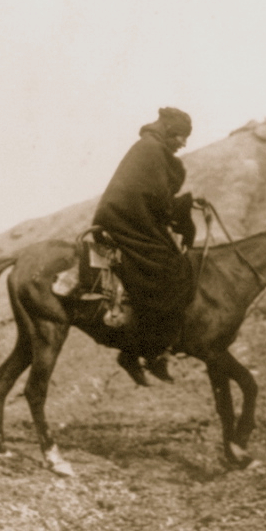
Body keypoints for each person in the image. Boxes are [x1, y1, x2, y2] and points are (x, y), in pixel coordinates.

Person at [91, 106, 198, 386]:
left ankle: (150, 350)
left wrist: (180, 206)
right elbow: (158, 200)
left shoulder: (150, 147)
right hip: (124, 220)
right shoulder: (151, 149)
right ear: (170, 131)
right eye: (182, 136)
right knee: (167, 270)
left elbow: (152, 196)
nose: (183, 143)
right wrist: (181, 208)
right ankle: (144, 351)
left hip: (128, 216)